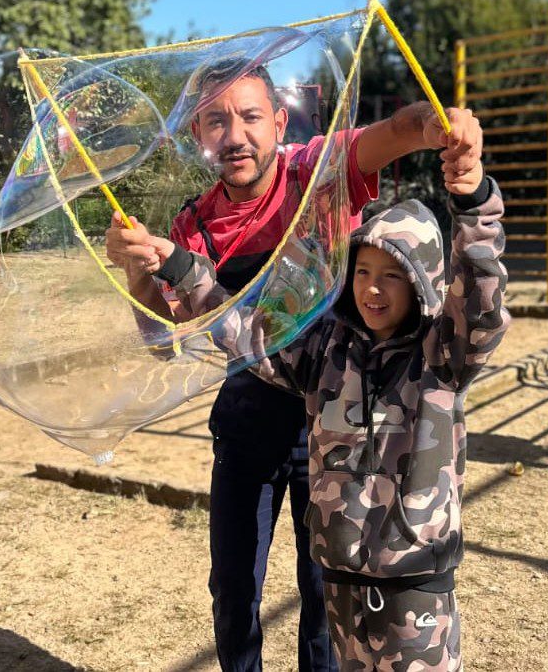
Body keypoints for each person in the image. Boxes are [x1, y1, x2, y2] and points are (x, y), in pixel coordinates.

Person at [107, 59, 465, 671]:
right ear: (198, 134)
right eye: (216, 121)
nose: (235, 135)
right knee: (233, 592)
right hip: (247, 422)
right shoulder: (190, 226)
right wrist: (139, 279)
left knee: (323, 595)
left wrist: (441, 126)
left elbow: (399, 131)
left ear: (279, 122)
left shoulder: (319, 175)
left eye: (249, 116)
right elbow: (160, 341)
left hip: (335, 430)